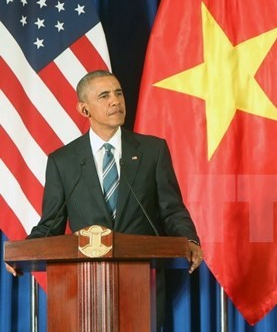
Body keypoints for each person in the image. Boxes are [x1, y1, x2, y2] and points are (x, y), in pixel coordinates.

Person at [5, 70, 203, 276]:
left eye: (118, 93)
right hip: (85, 280)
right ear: (84, 109)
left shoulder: (153, 151)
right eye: (104, 96)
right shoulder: (63, 161)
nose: (115, 101)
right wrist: (22, 252)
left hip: (145, 278)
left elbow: (171, 211)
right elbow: (51, 224)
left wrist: (189, 240)